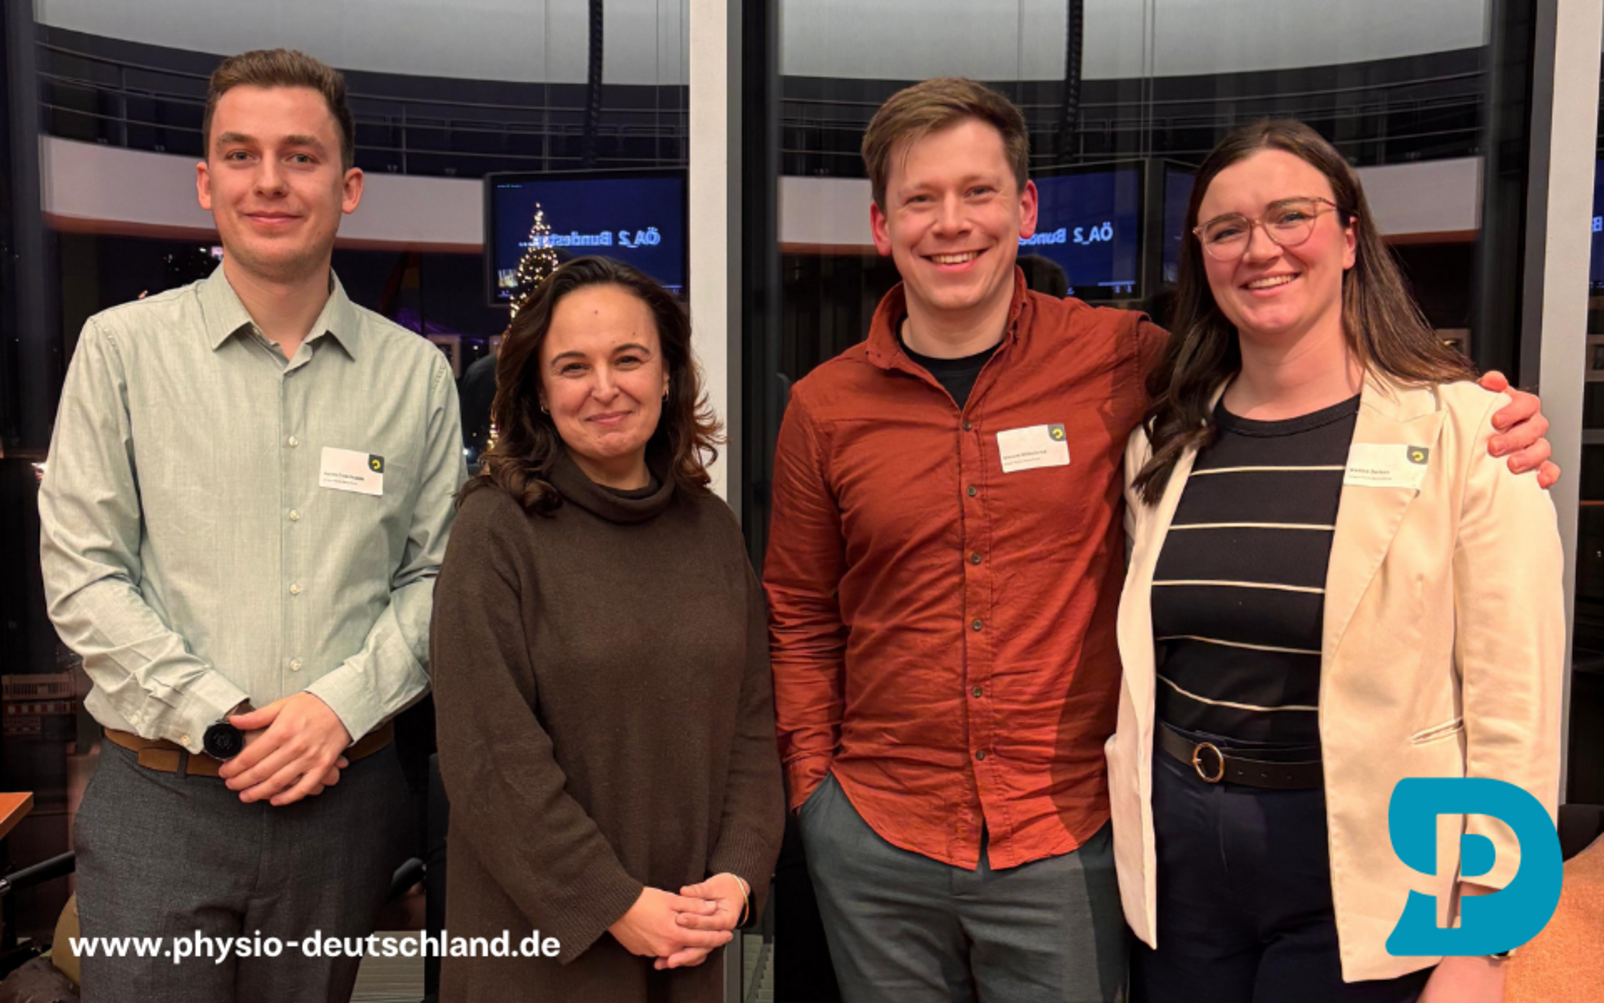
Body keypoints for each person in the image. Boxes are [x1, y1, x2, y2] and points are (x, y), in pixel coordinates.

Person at [763, 78, 1557, 1003]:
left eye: (978, 191)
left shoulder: (1132, 364)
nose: (951, 222)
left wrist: (1487, 942)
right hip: (1047, 851)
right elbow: (801, 612)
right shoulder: (838, 407)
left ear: (1025, 209)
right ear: (880, 224)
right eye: (920, 199)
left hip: (1119, 843)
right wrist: (815, 794)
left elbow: (1517, 710)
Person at [38, 49, 465, 1003]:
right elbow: (84, 573)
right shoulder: (120, 351)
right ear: (206, 182)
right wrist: (223, 721)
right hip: (160, 799)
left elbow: (437, 578)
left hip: (342, 807)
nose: (269, 181)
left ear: (348, 187)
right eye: (241, 154)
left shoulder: (416, 378)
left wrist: (338, 707)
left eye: (300, 156)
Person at [1109, 119, 1563, 1003]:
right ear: (1201, 256)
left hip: (1374, 864)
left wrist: (1486, 943)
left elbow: (1518, 712)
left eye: (1291, 216)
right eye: (1227, 229)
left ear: (1350, 237)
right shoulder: (1161, 445)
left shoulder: (1470, 433)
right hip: (1180, 865)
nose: (1260, 249)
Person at [430, 256, 784, 1003]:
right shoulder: (495, 529)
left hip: (688, 933)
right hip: (540, 948)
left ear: (668, 374)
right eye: (573, 366)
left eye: (628, 359)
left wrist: (737, 874)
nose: (604, 386)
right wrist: (613, 903)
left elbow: (751, 724)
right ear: (537, 390)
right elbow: (491, 758)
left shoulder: (711, 528)